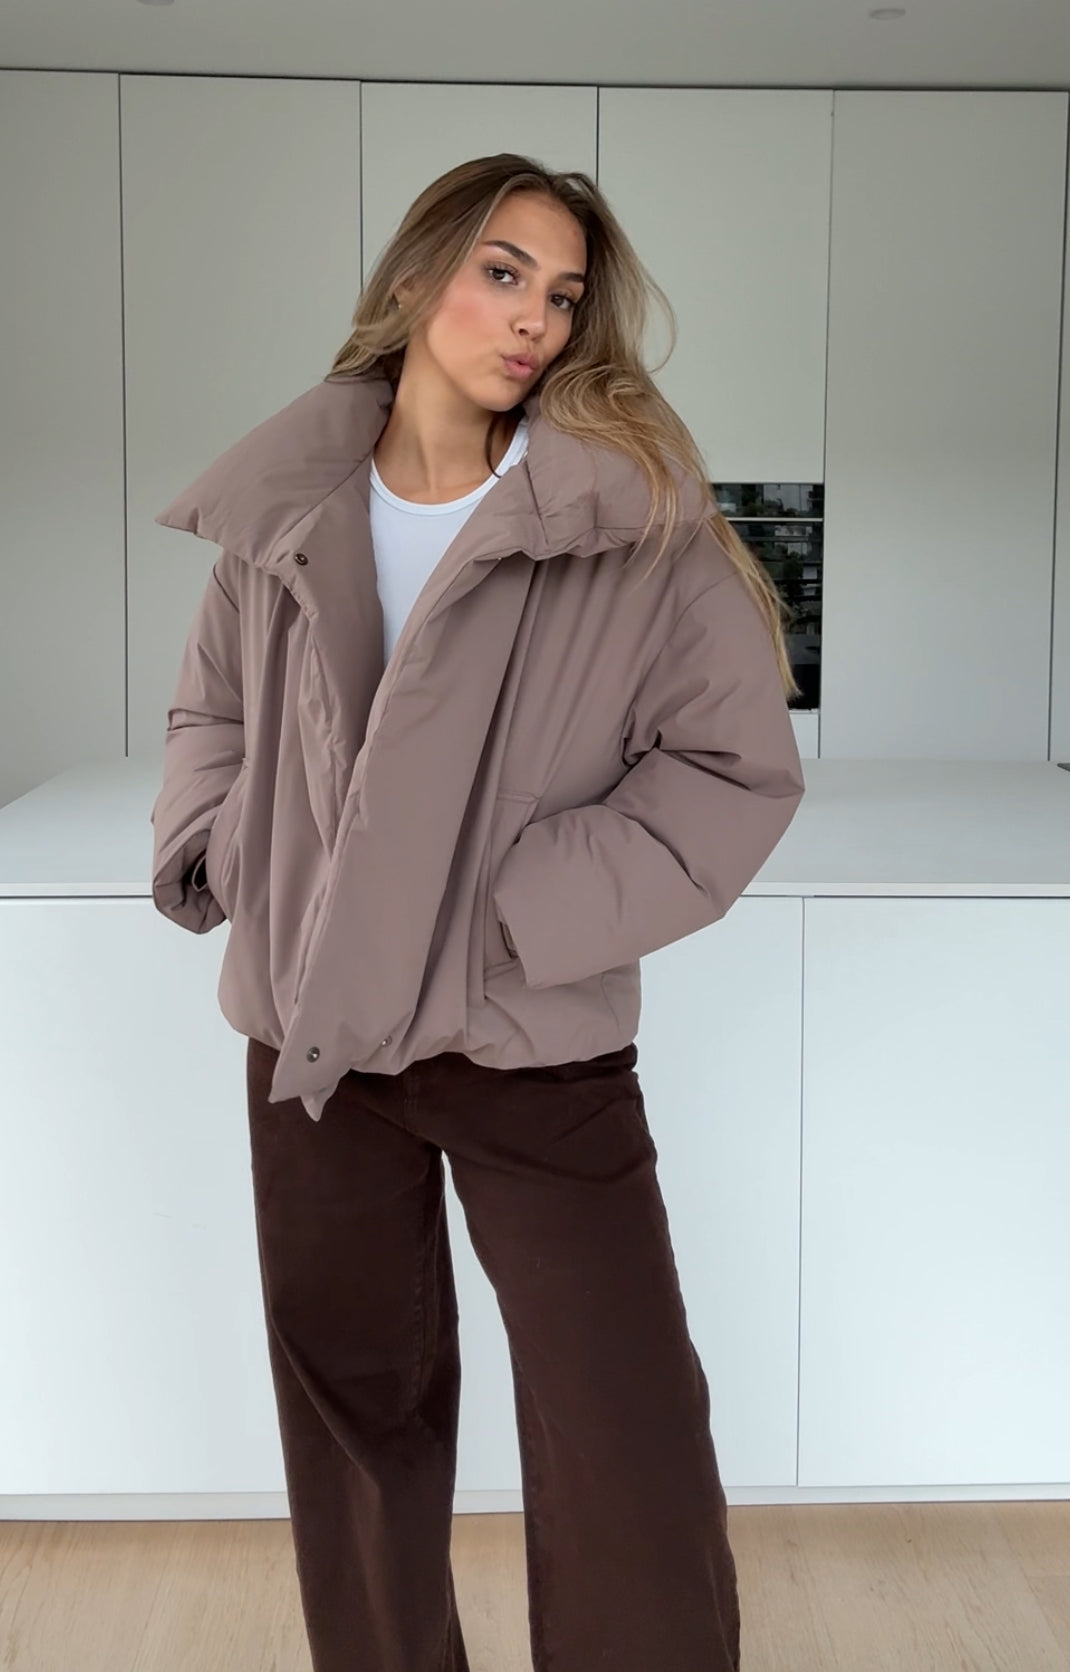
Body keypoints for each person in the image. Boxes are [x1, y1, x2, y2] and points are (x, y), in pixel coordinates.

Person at [150, 151, 806, 1672]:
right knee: (356, 1422)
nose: (533, 318)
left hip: (530, 1038)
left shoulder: (630, 521)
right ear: (411, 280)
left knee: (624, 1420)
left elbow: (732, 770)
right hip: (312, 1039)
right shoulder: (286, 506)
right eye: (502, 272)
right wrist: (237, 858)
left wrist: (512, 917)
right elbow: (211, 715)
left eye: (561, 295)